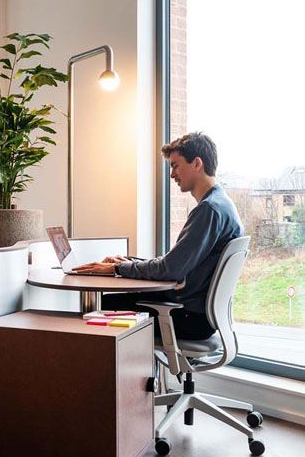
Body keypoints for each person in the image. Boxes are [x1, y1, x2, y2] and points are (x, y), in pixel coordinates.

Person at [73, 132, 243, 339]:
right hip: (201, 315)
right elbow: (174, 263)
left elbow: (171, 269)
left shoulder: (209, 210)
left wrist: (117, 268)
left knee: (102, 306)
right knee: (112, 302)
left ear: (197, 164)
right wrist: (129, 262)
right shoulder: (221, 205)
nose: (172, 174)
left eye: (175, 166)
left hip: (187, 317)